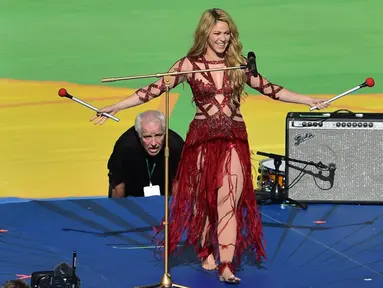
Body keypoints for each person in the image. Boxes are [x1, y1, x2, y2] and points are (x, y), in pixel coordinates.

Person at [91, 8, 329, 284]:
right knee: (204, 201)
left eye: (227, 34)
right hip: (202, 139)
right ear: (205, 33)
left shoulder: (239, 64)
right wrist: (115, 107)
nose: (223, 39)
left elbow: (270, 89)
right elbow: (152, 90)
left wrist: (307, 100)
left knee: (229, 200)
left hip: (233, 138)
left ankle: (226, 264)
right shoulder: (188, 65)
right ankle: (205, 249)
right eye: (217, 33)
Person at [107, 110, 184, 198]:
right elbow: (118, 187)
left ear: (165, 132)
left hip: (165, 193)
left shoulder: (176, 145)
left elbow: (177, 184)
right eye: (147, 137)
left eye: (158, 135)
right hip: (131, 193)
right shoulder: (124, 147)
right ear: (138, 134)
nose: (154, 143)